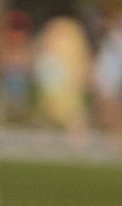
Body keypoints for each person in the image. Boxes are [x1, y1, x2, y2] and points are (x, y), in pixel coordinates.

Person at [31, 8, 92, 136]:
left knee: (69, 107)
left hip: (66, 76)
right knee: (53, 105)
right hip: (60, 75)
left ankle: (73, 136)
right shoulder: (66, 29)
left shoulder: (71, 30)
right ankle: (44, 134)